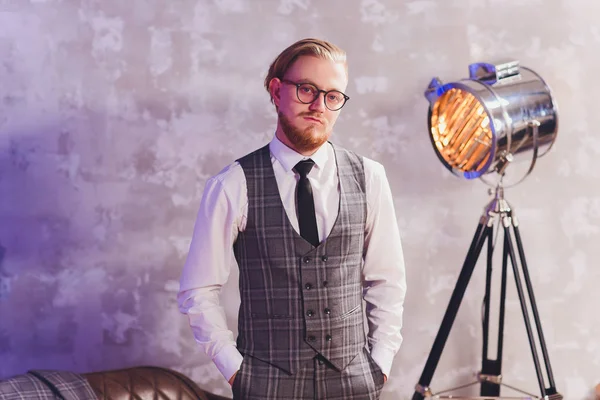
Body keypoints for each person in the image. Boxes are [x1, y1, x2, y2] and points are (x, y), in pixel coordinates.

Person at [178, 38, 406, 400]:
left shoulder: (370, 177)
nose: (319, 106)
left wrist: (380, 363)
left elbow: (386, 280)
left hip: (355, 380)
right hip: (265, 383)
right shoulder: (233, 185)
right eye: (306, 90)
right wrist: (235, 370)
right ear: (276, 90)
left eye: (333, 96)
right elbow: (199, 289)